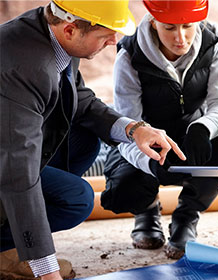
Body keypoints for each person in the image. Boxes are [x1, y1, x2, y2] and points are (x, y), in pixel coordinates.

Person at [0, 1, 186, 279]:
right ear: (71, 29)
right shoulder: (23, 66)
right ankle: (14, 251)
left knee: (83, 140)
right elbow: (17, 171)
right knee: (75, 199)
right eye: (105, 35)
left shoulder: (52, 32)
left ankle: (11, 239)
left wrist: (135, 129)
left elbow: (79, 98)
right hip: (7, 158)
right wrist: (45, 269)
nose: (114, 41)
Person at [101, 0, 218, 260]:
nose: (180, 38)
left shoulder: (212, 40)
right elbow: (128, 124)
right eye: (169, 28)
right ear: (153, 21)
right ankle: (146, 211)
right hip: (144, 139)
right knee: (123, 187)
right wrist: (150, 162)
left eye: (188, 26)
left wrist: (203, 128)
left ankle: (186, 218)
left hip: (191, 133)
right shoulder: (130, 53)